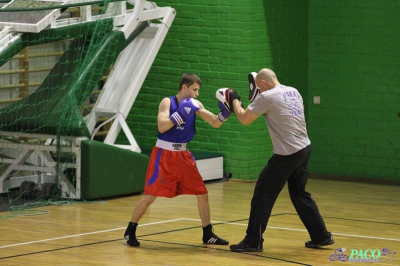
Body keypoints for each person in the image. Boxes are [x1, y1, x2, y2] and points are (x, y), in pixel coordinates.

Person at [227, 68, 334, 252]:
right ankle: (321, 235)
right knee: (299, 194)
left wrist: (234, 100)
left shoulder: (267, 97)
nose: (258, 92)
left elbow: (244, 119)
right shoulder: (293, 91)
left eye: (259, 88)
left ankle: (253, 241)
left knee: (263, 194)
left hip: (287, 154)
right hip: (304, 148)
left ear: (264, 84)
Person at [124, 73, 231, 247]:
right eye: (195, 90)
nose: (197, 94)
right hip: (163, 154)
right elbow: (162, 126)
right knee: (150, 197)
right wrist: (181, 114)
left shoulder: (196, 104)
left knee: (202, 193)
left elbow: (214, 122)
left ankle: (208, 234)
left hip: (183, 155)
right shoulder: (168, 102)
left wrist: (226, 113)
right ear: (184, 87)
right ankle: (130, 230)